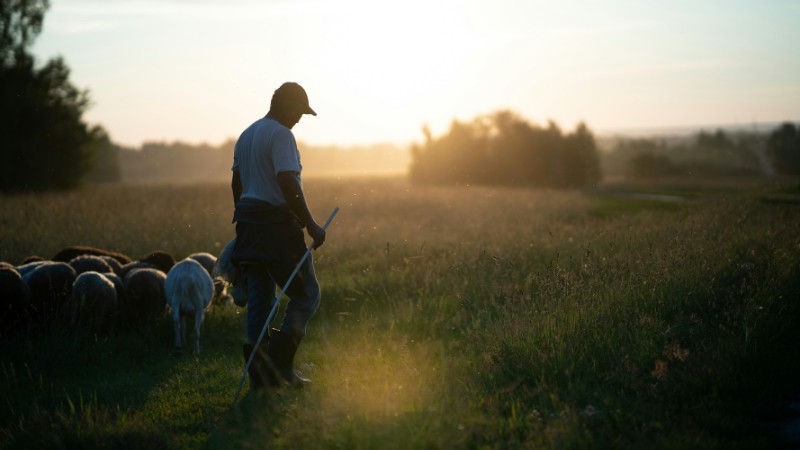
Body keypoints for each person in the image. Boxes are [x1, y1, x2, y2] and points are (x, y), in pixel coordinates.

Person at [230, 82, 325, 390]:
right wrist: (310, 224)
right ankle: (281, 366)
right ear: (286, 105)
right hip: (276, 230)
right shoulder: (282, 135)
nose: (299, 118)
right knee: (306, 294)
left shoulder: (247, 134)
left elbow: (237, 181)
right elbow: (287, 181)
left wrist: (241, 214)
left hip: (248, 227)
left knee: (259, 302)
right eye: (299, 111)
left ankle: (260, 377)